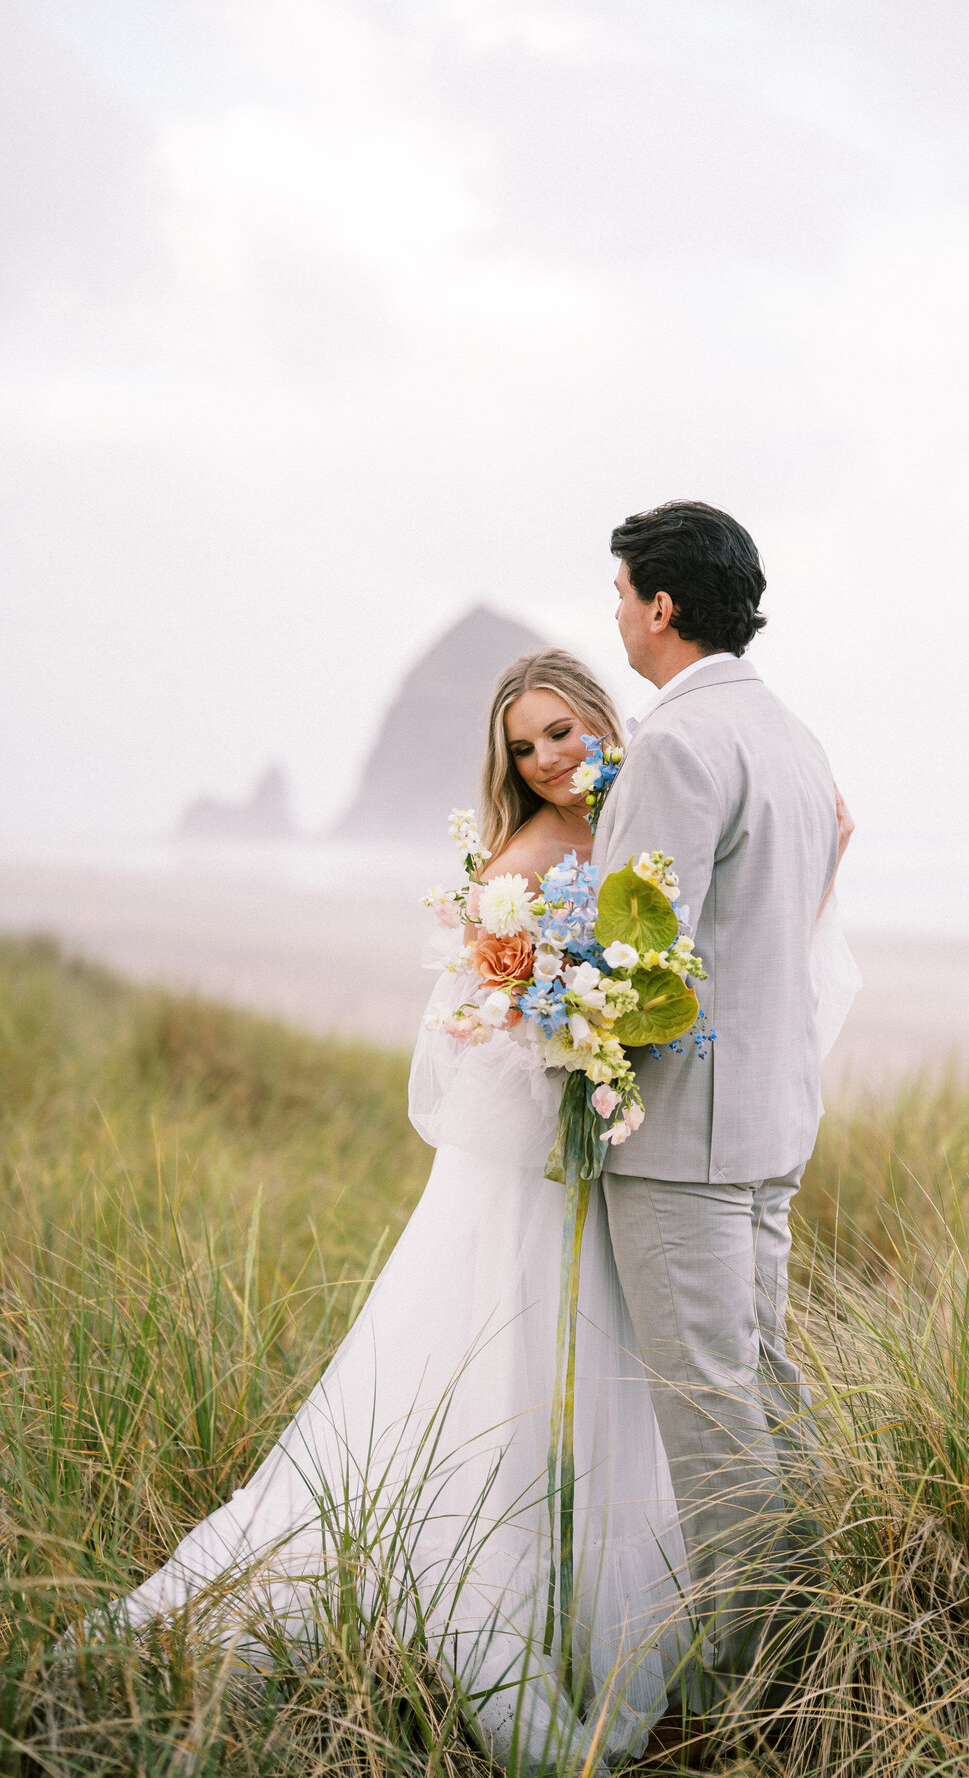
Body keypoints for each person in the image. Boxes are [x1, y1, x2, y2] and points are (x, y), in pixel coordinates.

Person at [70, 638, 856, 1773]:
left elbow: (735, 944)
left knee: (642, 1386)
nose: (544, 757)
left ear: (601, 718)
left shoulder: (654, 811)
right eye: (523, 743)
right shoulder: (525, 858)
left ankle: (673, 1633)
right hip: (543, 1174)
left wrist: (823, 852)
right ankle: (523, 1622)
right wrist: (572, 1044)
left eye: (561, 731)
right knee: (521, 1375)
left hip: (642, 1159)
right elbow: (475, 1032)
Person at [595, 499, 855, 1705]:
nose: (615, 617)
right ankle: (827, 1632)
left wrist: (554, 1038)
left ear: (662, 603)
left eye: (621, 595)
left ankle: (758, 1683)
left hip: (686, 1141)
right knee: (765, 1384)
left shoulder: (676, 743)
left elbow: (644, 962)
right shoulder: (793, 736)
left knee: (708, 1413)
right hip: (769, 1120)